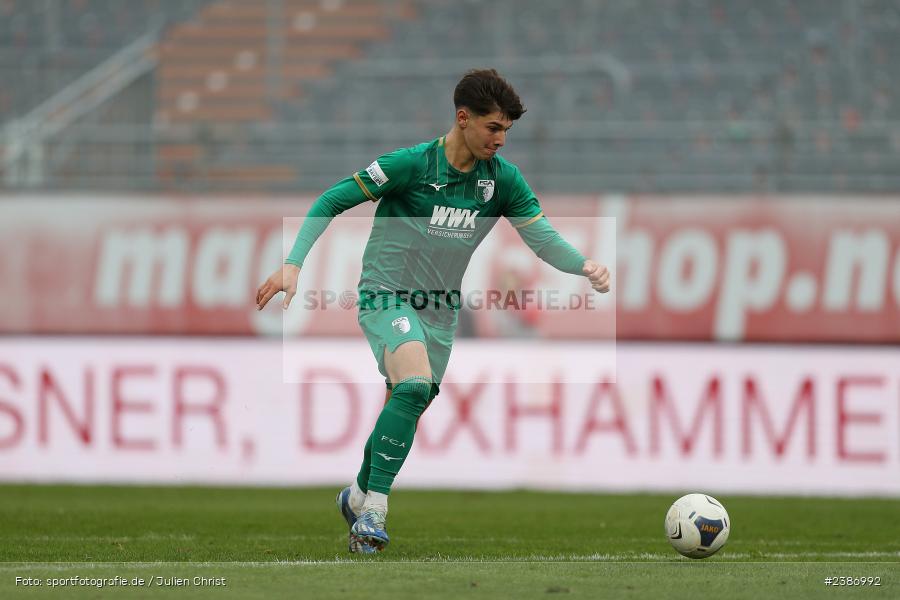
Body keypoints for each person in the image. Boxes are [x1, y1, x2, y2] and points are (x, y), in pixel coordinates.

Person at [255, 68, 610, 554]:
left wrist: (584, 264)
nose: (501, 139)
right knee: (415, 383)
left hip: (441, 311)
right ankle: (374, 512)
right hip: (386, 294)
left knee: (407, 400)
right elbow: (331, 200)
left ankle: (357, 494)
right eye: (493, 127)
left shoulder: (502, 180)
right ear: (463, 118)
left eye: (507, 130)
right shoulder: (409, 165)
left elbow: (542, 238)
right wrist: (292, 264)